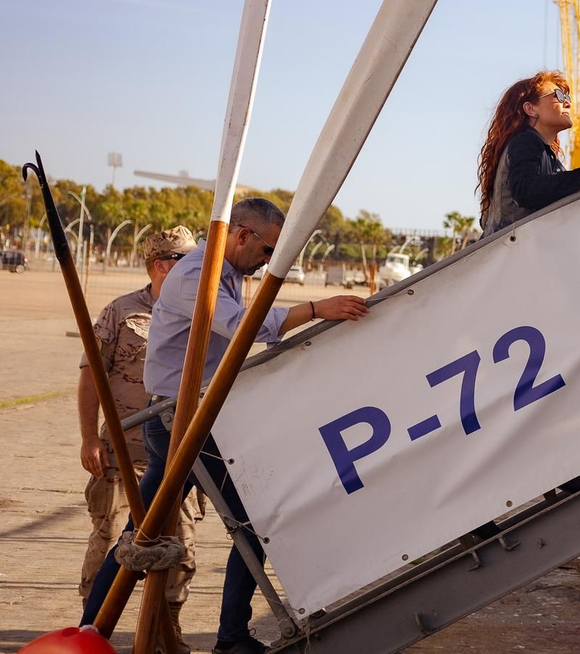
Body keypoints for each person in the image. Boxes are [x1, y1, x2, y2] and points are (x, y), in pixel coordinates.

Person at [81, 197, 370, 654]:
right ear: (241, 235)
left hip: (190, 417)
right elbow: (243, 328)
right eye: (267, 249)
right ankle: (228, 636)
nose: (268, 260)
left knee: (144, 529)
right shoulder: (199, 274)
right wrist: (316, 308)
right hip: (180, 421)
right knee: (246, 524)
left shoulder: (230, 273)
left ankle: (88, 629)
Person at [77, 227, 201, 653]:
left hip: (175, 455)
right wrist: (88, 439)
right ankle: (89, 630)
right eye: (186, 264)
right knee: (110, 539)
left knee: (178, 547)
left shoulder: (201, 312)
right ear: (161, 265)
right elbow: (91, 377)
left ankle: (169, 633)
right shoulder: (120, 311)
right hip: (119, 454)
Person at [477, 70, 580, 234]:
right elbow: (525, 190)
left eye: (567, 98)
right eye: (559, 95)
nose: (568, 103)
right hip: (515, 251)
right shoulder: (526, 141)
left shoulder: (542, 152)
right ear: (531, 109)